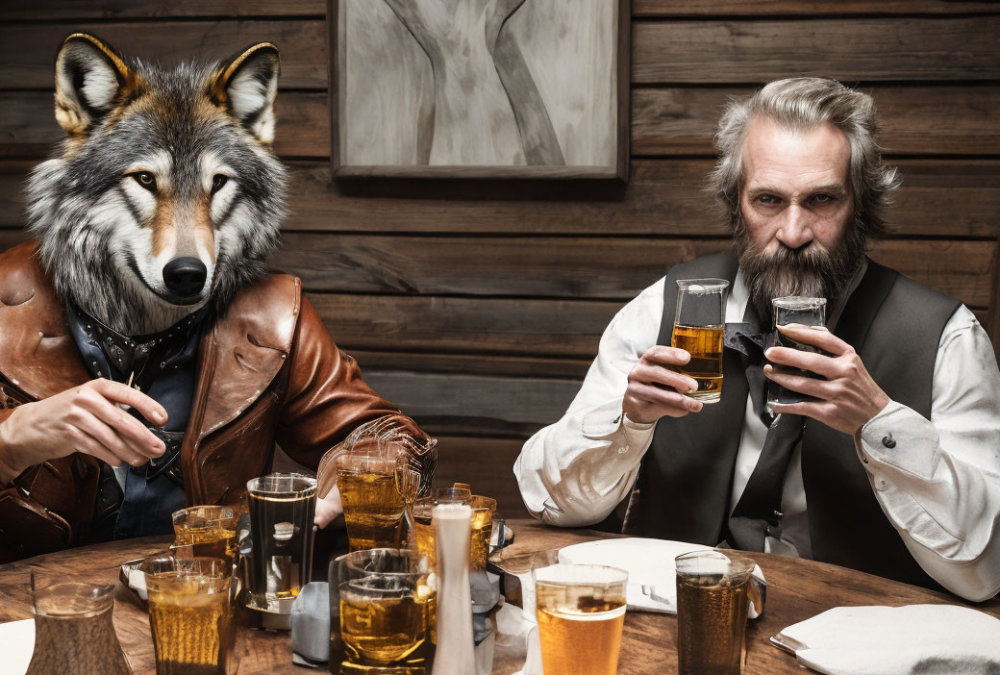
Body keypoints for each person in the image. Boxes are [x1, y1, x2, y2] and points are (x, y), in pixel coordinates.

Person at [514, 77, 1000, 601]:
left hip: (863, 645)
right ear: (735, 201)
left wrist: (879, 422)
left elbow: (985, 571)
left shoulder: (946, 339)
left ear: (860, 202)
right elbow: (552, 505)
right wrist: (628, 422)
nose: (793, 233)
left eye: (822, 200)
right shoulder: (664, 306)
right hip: (679, 623)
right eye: (768, 200)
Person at [0, 34, 431, 561]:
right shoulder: (6, 298)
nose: (186, 247)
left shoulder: (273, 316)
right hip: (31, 616)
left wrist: (366, 473)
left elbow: (382, 434)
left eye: (217, 185)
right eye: (144, 180)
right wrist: (12, 439)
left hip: (207, 606)